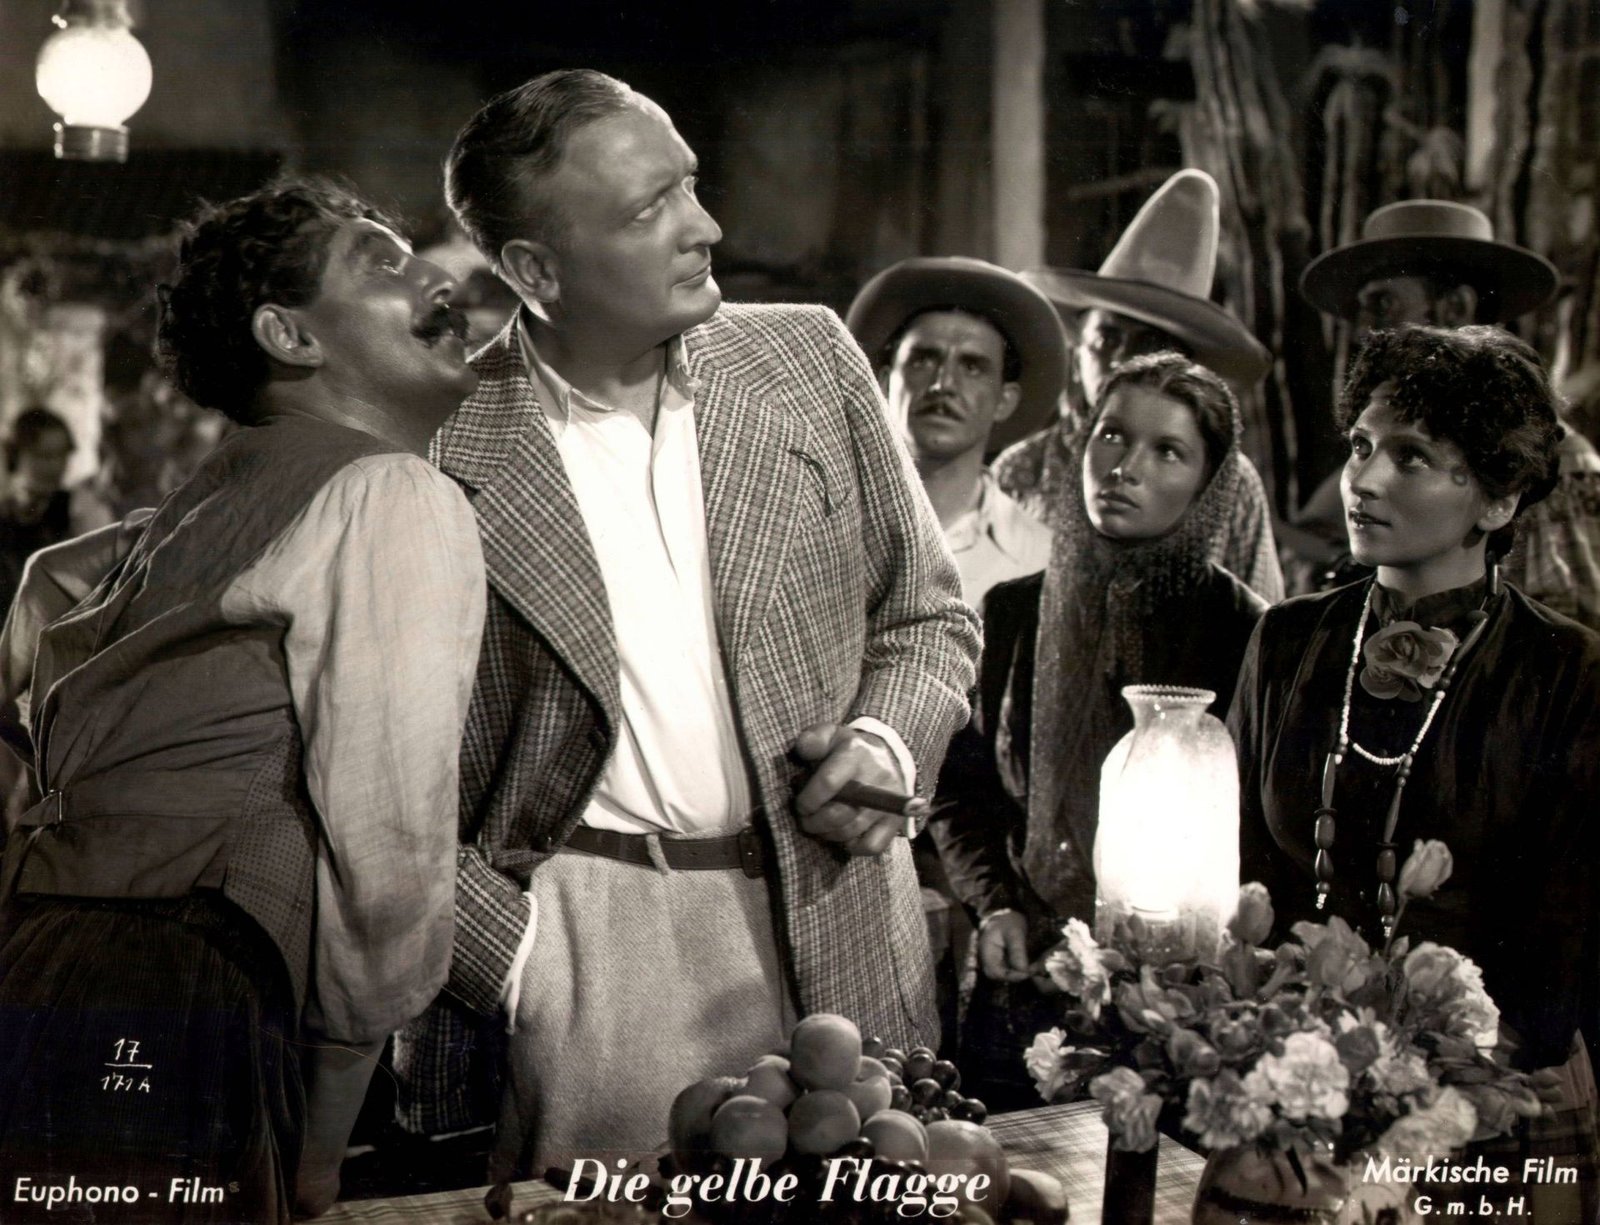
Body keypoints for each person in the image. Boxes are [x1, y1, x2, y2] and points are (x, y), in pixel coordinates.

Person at [395, 69, 980, 1175]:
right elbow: (374, 782)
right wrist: (519, 960)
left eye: (690, 186)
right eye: (647, 209)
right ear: (535, 271)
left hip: (839, 924)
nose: (703, 227)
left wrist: (885, 742)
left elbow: (927, 615)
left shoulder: (809, 359)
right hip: (591, 958)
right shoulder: (432, 449)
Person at [0, 181, 487, 1222]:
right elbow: (390, 844)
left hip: (38, 956)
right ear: (290, 335)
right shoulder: (390, 490)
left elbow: (46, 638)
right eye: (382, 260)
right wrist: (323, 1135)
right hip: (182, 989)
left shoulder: (201, 500)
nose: (435, 277)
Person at [1230, 324, 1600, 1221]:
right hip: (1292, 1076)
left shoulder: (1569, 670)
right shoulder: (1287, 639)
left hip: (1496, 1094)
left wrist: (1423, 1114)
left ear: (1498, 500)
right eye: (1361, 446)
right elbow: (1240, 869)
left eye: (1412, 457)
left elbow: (1564, 946)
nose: (1363, 479)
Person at [932, 352, 1268, 1109]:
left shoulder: (1248, 632)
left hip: (1177, 1002)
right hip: (1024, 974)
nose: (1124, 468)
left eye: (1167, 451)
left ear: (1209, 483)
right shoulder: (1013, 611)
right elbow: (962, 785)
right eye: (1111, 436)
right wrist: (995, 902)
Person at [1293, 199, 1600, 629]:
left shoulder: (1562, 463)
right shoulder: (1361, 465)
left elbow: (1576, 629)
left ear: (1455, 308)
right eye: (1361, 312)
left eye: (1383, 305)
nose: (1365, 331)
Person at [988, 169, 1285, 604]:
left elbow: (1261, 622)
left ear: (1183, 367)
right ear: (1077, 355)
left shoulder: (1230, 482)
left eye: (1148, 343)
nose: (1120, 360)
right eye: (1106, 339)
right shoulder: (1022, 470)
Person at [845, 257, 1064, 607]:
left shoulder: (1042, 559)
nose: (942, 384)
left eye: (972, 367)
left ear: (1004, 401)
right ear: (883, 384)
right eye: (923, 360)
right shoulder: (824, 526)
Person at [0, 408, 78, 618]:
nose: (55, 466)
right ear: (16, 456)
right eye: (43, 456)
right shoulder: (5, 514)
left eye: (61, 455)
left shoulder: (79, 508)